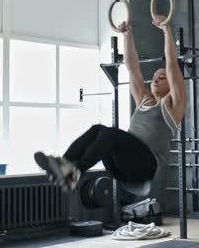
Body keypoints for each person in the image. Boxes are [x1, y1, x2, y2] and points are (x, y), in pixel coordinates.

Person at [34, 15, 187, 193]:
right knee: (98, 129)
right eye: (154, 77)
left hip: (145, 168)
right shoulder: (143, 99)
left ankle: (74, 174)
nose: (156, 79)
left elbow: (171, 65)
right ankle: (65, 166)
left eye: (162, 78)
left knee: (110, 134)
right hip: (123, 165)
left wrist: (166, 30)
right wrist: (127, 35)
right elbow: (132, 67)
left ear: (171, 84)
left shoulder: (174, 105)